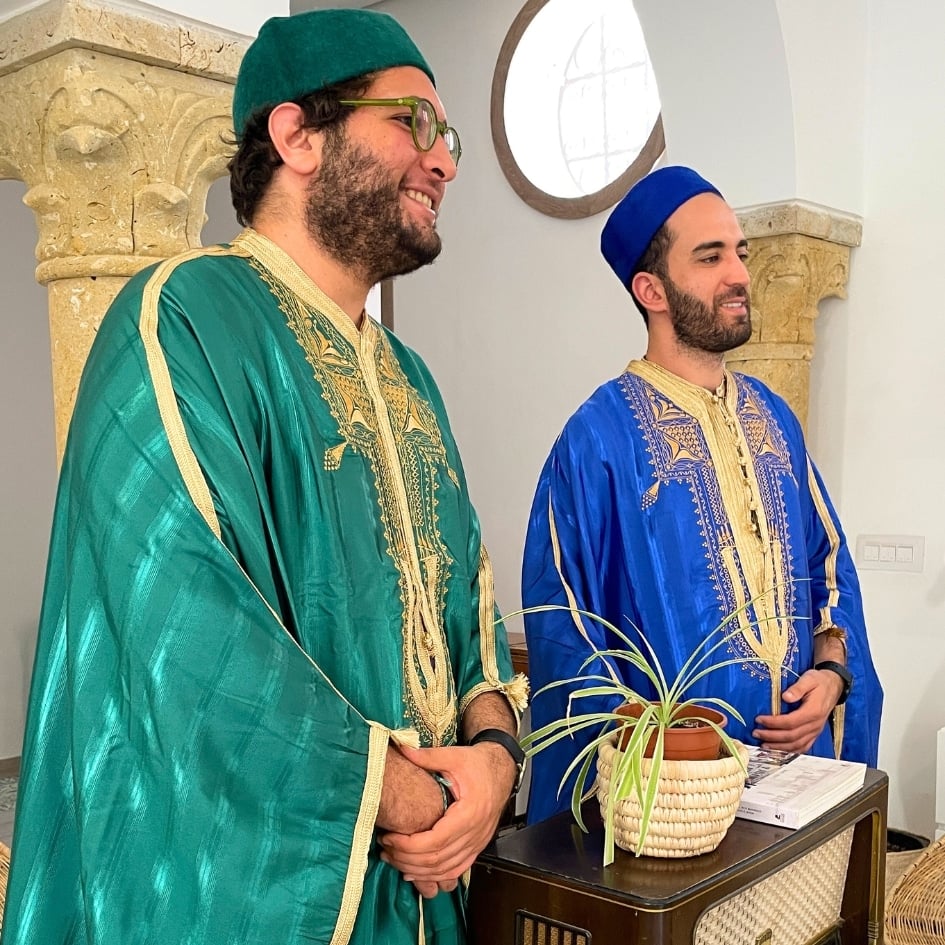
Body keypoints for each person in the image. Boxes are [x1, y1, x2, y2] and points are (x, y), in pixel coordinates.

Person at [1, 10, 527, 944]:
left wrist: (492, 759)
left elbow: (469, 611)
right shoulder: (184, 316)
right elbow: (184, 629)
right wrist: (414, 796)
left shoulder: (410, 378)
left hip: (426, 887)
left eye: (447, 137)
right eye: (412, 121)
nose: (442, 162)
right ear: (298, 136)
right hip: (282, 887)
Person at [521, 165, 881, 825]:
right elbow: (562, 628)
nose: (739, 274)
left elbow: (828, 562)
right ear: (651, 288)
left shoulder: (773, 417)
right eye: (710, 257)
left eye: (739, 252)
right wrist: (659, 743)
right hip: (668, 803)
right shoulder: (597, 439)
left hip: (797, 781)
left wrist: (833, 675)